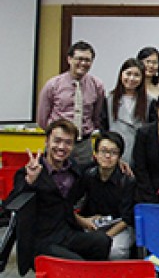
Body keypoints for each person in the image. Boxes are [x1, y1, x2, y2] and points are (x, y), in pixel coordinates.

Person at [12, 119, 111, 268]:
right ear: (46, 141)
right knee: (78, 265)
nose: (61, 147)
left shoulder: (74, 170)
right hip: (42, 240)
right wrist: (30, 181)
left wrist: (117, 164)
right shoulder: (30, 171)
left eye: (68, 143)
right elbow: (12, 204)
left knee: (103, 241)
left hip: (66, 233)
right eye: (57, 141)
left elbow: (95, 168)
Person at [37, 40, 106, 165]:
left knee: (84, 181)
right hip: (58, 144)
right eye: (79, 59)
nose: (83, 63)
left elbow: (96, 116)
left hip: (83, 146)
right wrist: (58, 137)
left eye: (87, 60)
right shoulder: (53, 85)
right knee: (53, 180)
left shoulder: (97, 86)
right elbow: (42, 119)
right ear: (69, 59)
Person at [76, 131, 136, 260]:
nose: (108, 156)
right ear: (96, 154)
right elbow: (72, 204)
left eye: (113, 153)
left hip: (118, 228)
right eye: (103, 151)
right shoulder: (87, 175)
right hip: (92, 225)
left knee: (115, 251)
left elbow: (126, 218)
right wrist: (84, 222)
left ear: (119, 157)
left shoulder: (127, 180)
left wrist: (104, 238)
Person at [101, 58, 151, 166]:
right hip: (114, 155)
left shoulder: (150, 102)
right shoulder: (109, 100)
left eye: (137, 75)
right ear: (121, 75)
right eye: (128, 74)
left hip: (140, 155)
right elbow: (103, 128)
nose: (131, 78)